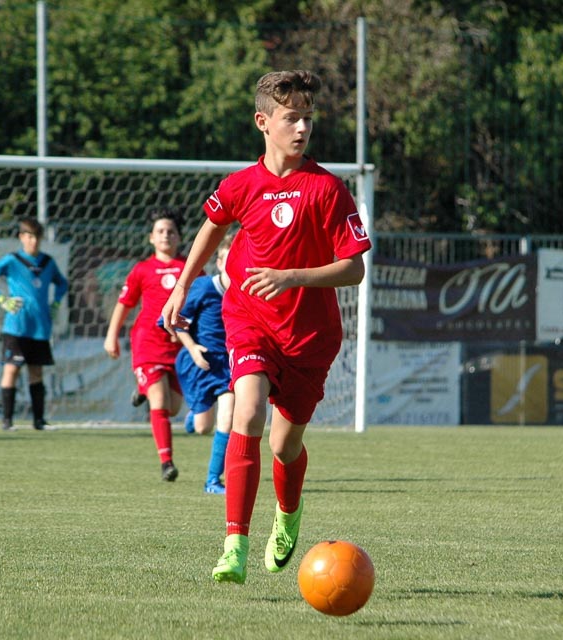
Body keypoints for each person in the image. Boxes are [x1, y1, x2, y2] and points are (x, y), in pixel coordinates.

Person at [161, 70, 372, 584]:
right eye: (291, 118)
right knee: (248, 410)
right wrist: (182, 285)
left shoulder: (328, 189)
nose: (302, 128)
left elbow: (355, 269)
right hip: (250, 319)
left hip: (310, 337)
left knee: (283, 446)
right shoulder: (240, 185)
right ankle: (234, 545)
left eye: (308, 119)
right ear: (263, 122)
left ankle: (289, 513)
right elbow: (212, 228)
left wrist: (291, 276)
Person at [104, 208, 196, 481]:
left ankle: (142, 389)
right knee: (160, 400)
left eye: (171, 231)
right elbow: (125, 304)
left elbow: (198, 306)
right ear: (151, 238)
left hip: (177, 346)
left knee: (173, 408)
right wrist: (111, 335)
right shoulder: (142, 269)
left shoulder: (190, 268)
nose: (166, 235)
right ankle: (167, 462)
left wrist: (188, 331)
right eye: (160, 231)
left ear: (179, 237)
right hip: (148, 342)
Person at [158, 234, 235, 495]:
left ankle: (213, 480)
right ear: (219, 262)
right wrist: (192, 348)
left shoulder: (247, 293)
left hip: (229, 366)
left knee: (228, 416)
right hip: (200, 364)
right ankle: (193, 418)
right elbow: (172, 320)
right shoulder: (203, 287)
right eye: (227, 260)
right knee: (203, 427)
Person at [0, 217, 69, 431]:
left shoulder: (47, 262)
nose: (33, 241)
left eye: (37, 237)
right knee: (12, 369)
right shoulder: (13, 260)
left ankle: (39, 421)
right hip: (16, 326)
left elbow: (62, 284)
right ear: (21, 237)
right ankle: (7, 421)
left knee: (36, 372)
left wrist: (55, 303)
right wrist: (1, 299)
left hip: (40, 327)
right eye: (29, 237)